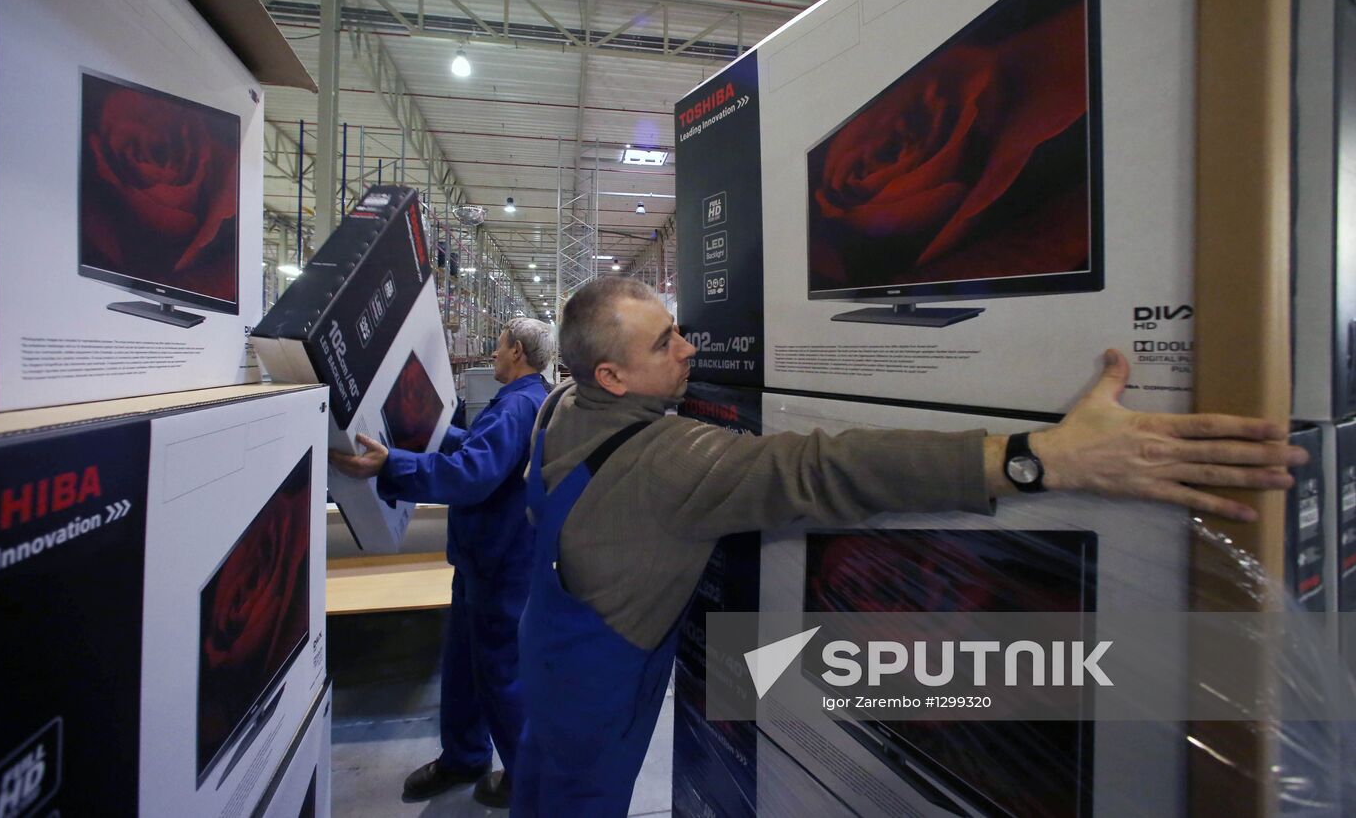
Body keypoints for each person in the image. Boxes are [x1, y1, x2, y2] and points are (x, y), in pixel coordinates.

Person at [509, 277, 1307, 818]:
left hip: (546, 654)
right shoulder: (668, 458)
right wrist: (1037, 456)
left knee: (536, 787)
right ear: (611, 375)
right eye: (665, 343)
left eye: (678, 327)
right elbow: (827, 467)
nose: (690, 347)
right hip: (596, 691)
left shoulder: (557, 410)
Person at [330, 317, 554, 809]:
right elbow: (483, 453)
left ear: (516, 351)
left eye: (496, 347)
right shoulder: (528, 400)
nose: (490, 355)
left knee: (499, 674)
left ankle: (524, 778)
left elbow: (473, 475)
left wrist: (393, 465)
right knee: (465, 666)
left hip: (499, 563)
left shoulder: (517, 406)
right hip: (485, 557)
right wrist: (432, 433)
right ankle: (465, 756)